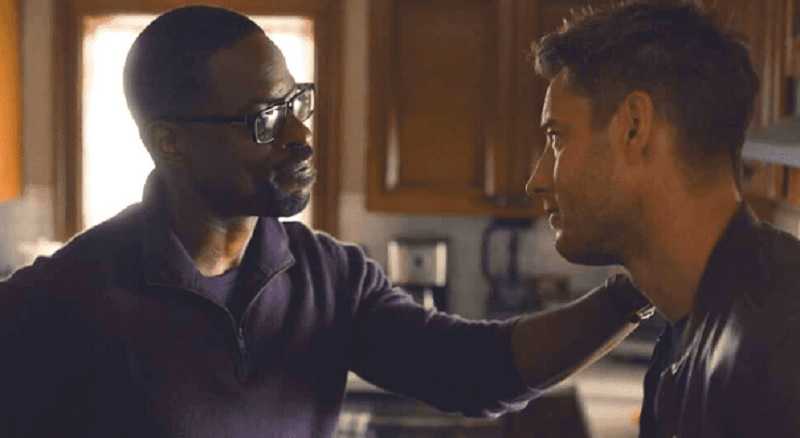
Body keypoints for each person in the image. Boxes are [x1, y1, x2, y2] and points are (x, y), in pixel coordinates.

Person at [0, 5, 652, 438]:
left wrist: (634, 292)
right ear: (171, 143)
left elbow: (477, 371)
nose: (301, 137)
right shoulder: (61, 300)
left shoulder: (328, 278)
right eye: (264, 119)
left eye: (296, 103)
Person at [527, 0, 800, 437]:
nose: (536, 181)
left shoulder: (778, 345)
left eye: (557, 138)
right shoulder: (686, 333)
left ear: (634, 127)